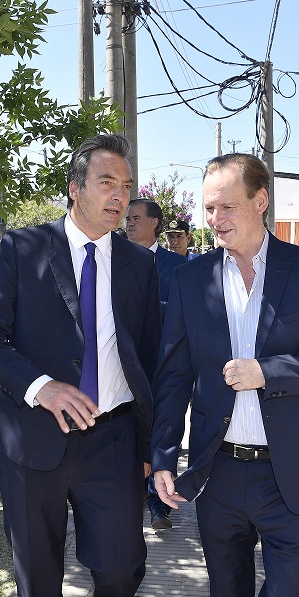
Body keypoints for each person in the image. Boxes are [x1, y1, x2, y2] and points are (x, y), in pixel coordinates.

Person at [151, 153, 299, 597]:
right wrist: (163, 455)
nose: (214, 219)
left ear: (260, 201)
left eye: (227, 206)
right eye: (208, 208)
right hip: (218, 473)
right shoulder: (190, 279)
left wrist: (268, 372)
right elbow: (174, 376)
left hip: (294, 473)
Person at [0, 134, 161, 597]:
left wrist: (148, 446)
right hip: (32, 435)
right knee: (36, 570)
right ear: (75, 188)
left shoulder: (139, 264)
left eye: (126, 186)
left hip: (112, 438)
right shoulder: (22, 248)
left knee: (122, 562)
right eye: (106, 183)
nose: (119, 196)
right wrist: (41, 387)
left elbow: (148, 359)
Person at [125, 197, 186, 531]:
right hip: (123, 364)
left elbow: (180, 313)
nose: (129, 222)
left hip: (162, 364)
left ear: (154, 223)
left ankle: (159, 502)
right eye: (128, 218)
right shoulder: (112, 258)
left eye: (136, 217)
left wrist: (149, 307)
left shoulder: (176, 266)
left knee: (161, 430)